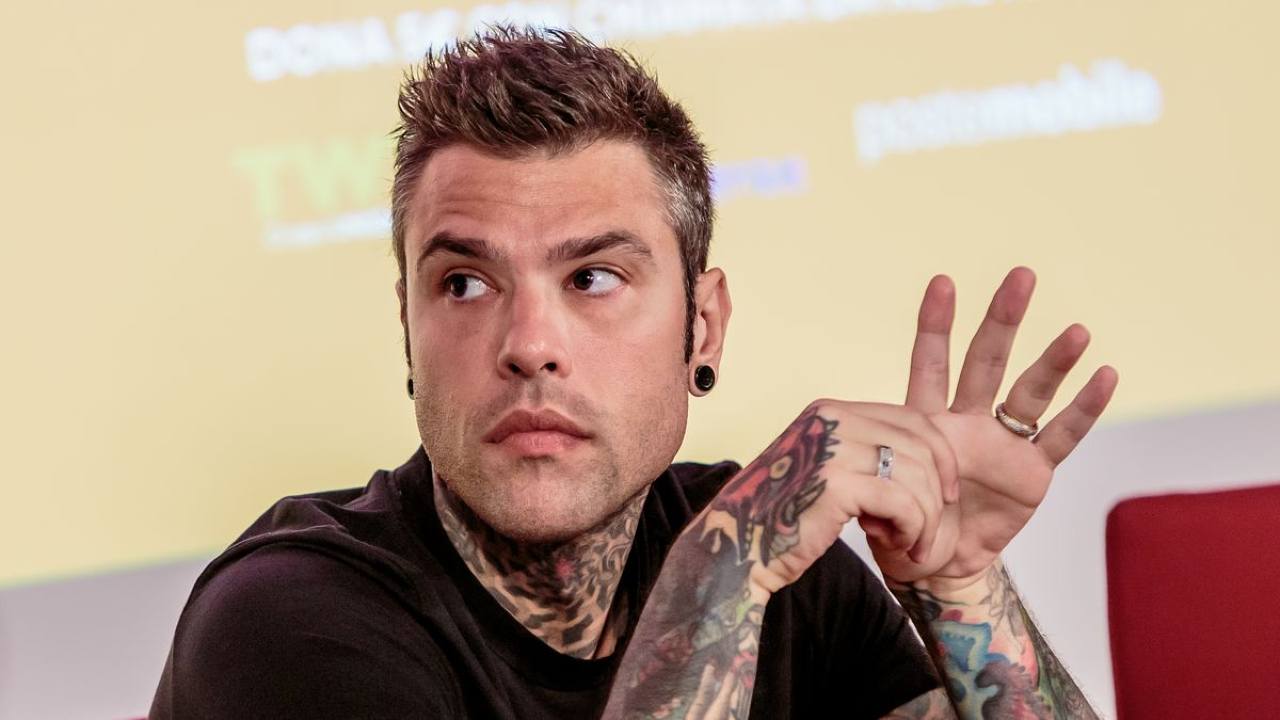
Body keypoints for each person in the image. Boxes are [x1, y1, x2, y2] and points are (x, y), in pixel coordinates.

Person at [151, 26, 1117, 719]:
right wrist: (721, 573)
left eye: (594, 278)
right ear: (410, 333)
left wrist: (959, 583)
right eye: (464, 283)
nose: (530, 343)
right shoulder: (287, 620)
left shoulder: (787, 584)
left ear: (703, 328)